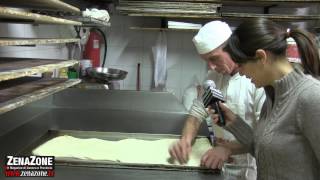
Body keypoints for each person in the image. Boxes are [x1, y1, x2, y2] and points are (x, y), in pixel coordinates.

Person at [210, 18, 320, 180]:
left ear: (261, 57)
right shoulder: (272, 96)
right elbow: (265, 152)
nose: (240, 72)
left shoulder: (310, 96)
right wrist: (234, 123)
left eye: (241, 64)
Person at [168, 21, 266, 180]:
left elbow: (265, 139)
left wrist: (228, 149)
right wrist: (185, 141)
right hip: (215, 165)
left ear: (231, 49)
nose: (211, 67)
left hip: (248, 171)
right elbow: (196, 114)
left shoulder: (256, 81)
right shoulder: (212, 78)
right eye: (206, 61)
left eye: (214, 58)